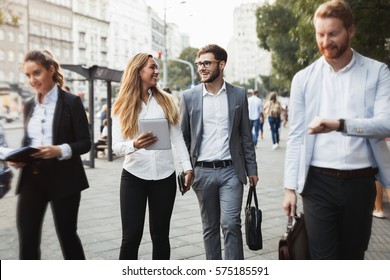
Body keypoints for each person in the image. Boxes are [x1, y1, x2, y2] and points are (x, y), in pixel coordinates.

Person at [283, 0, 390, 260]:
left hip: (361, 182)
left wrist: (338, 124)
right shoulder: (303, 78)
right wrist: (289, 188)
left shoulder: (377, 72)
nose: (325, 41)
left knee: (353, 256)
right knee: (323, 259)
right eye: (320, 34)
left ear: (350, 31)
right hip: (317, 183)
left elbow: (385, 123)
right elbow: (296, 135)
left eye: (333, 33)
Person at [180, 44, 259, 260]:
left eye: (207, 63)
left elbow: (245, 136)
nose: (201, 68)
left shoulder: (238, 94)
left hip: (231, 171)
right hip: (202, 172)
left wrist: (252, 168)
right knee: (210, 227)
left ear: (221, 64)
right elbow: (184, 138)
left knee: (231, 223)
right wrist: (187, 169)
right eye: (199, 64)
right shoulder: (188, 97)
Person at [111, 53, 193, 260]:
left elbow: (177, 138)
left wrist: (187, 168)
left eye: (157, 67)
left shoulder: (166, 101)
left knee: (160, 236)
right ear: (138, 71)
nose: (157, 71)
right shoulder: (122, 105)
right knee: (131, 237)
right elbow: (116, 147)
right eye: (152, 67)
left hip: (165, 178)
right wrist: (135, 144)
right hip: (133, 177)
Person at [15, 49, 91, 259]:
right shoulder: (29, 105)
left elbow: (85, 143)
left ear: (51, 70)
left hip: (64, 179)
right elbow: (27, 142)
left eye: (36, 73)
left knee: (67, 235)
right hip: (32, 179)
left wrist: (59, 150)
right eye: (28, 75)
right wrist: (18, 158)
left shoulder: (72, 102)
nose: (32, 80)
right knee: (27, 237)